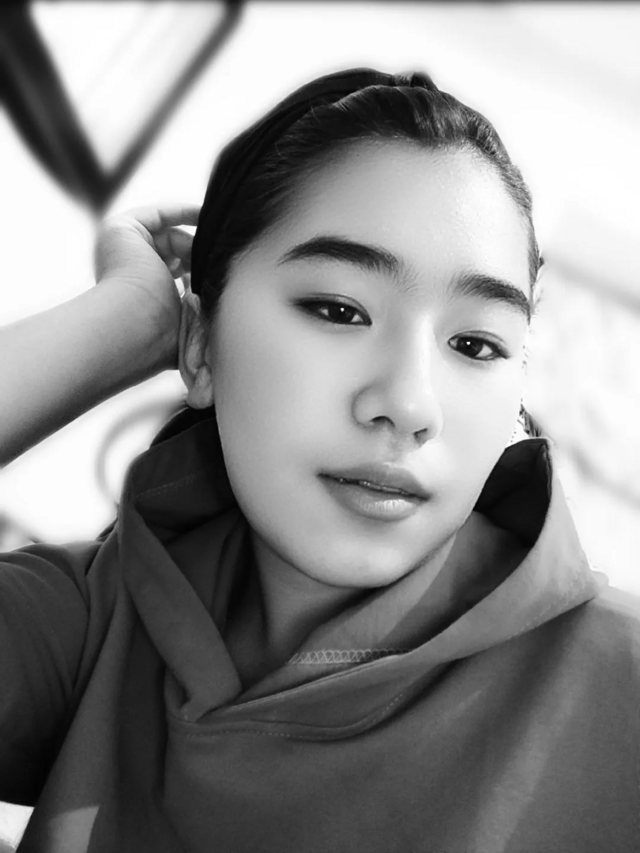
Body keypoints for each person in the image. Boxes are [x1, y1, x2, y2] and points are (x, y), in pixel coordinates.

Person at [0, 66, 638, 853]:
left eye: (476, 344)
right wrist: (126, 320)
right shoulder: (96, 622)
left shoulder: (622, 690)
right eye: (339, 309)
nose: (409, 403)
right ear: (201, 345)